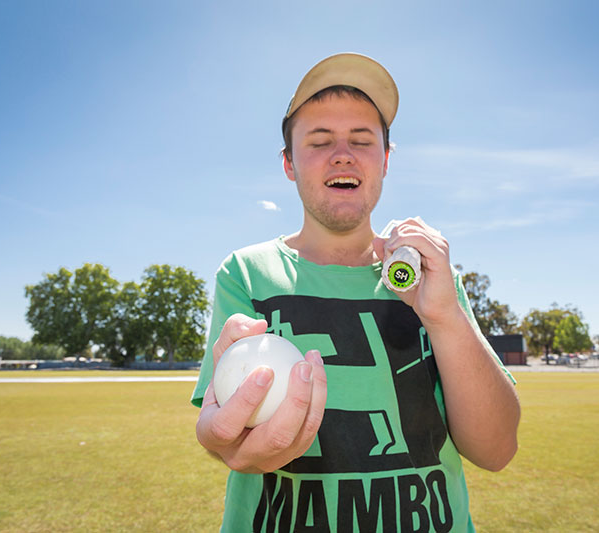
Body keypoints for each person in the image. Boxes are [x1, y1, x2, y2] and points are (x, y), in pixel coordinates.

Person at [193, 52, 520, 532]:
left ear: (385, 160)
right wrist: (221, 439)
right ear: (288, 164)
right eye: (319, 141)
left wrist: (445, 316)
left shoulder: (429, 274)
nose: (342, 153)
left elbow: (497, 450)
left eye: (362, 141)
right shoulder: (247, 273)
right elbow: (227, 435)